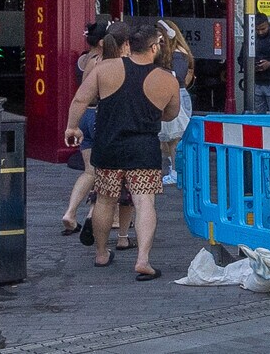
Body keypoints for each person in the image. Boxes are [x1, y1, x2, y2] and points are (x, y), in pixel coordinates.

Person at [64, 20, 180, 280]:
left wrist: (72, 127)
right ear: (153, 47)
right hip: (143, 148)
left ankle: (102, 253)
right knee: (144, 201)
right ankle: (143, 259)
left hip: (109, 145)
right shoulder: (166, 80)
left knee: (105, 200)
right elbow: (170, 115)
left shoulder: (105, 69)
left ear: (129, 44)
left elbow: (81, 98)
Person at [60, 18, 111, 238]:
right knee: (107, 171)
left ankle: (70, 213)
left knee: (90, 170)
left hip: (84, 116)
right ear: (102, 41)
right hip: (99, 114)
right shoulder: (103, 61)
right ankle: (93, 214)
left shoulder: (83, 59)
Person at [157, 19, 195, 185]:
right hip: (169, 94)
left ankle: (176, 172)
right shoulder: (167, 52)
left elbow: (177, 76)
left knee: (174, 138)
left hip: (176, 95)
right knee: (167, 138)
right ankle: (175, 168)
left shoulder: (178, 54)